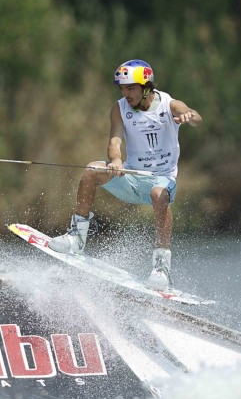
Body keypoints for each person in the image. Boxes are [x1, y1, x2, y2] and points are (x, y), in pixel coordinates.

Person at [49, 59, 202, 290]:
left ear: (146, 86)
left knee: (159, 193)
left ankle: (161, 268)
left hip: (162, 181)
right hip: (131, 179)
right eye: (122, 88)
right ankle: (76, 238)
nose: (125, 93)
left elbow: (193, 115)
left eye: (130, 87)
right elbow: (115, 140)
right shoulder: (119, 108)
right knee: (91, 171)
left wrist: (189, 116)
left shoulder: (169, 105)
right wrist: (117, 160)